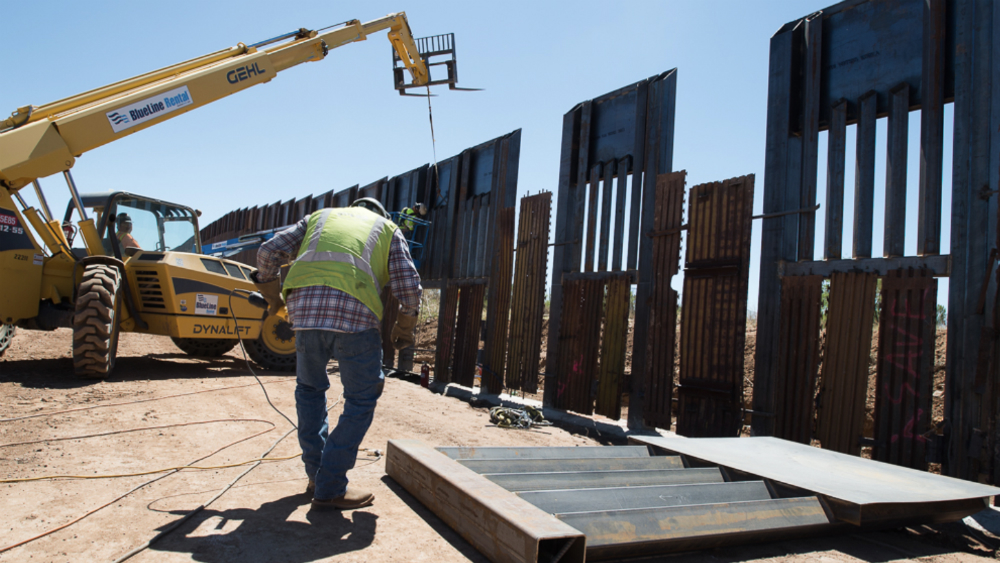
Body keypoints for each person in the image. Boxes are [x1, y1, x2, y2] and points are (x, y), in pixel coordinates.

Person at [252, 197, 420, 510]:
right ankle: (331, 485)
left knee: (310, 391)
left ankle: (317, 476)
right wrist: (405, 326)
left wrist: (272, 295)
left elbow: (267, 252)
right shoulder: (388, 229)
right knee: (361, 398)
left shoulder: (318, 218)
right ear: (378, 214)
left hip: (305, 314)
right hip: (355, 316)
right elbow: (409, 286)